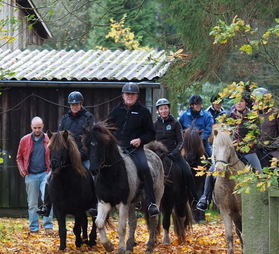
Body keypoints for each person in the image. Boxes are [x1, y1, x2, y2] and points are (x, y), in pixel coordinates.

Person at [196, 92, 261, 212]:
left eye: (241, 101)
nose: (239, 103)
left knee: (259, 172)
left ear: (246, 103)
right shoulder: (227, 117)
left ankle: (260, 200)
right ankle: (205, 198)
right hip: (229, 152)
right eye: (237, 101)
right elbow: (221, 134)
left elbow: (257, 135)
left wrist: (246, 146)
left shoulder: (253, 117)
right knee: (211, 170)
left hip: (247, 151)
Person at [106, 82, 160, 217]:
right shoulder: (116, 111)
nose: (129, 96)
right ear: (123, 96)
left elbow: (151, 133)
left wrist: (140, 140)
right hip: (117, 149)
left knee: (144, 167)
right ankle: (98, 201)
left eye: (132, 94)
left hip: (134, 149)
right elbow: (107, 129)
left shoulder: (144, 112)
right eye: (127, 94)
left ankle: (151, 202)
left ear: (137, 96)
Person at [153, 98, 200, 204]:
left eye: (165, 108)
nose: (164, 111)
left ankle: (193, 198)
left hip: (173, 153)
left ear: (169, 109)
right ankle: (141, 200)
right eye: (161, 109)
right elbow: (151, 141)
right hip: (158, 155)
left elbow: (181, 140)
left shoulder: (175, 123)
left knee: (187, 171)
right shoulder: (154, 124)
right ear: (158, 111)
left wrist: (175, 151)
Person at [16, 116, 54, 234]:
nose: (37, 130)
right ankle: (34, 228)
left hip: (45, 173)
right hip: (30, 174)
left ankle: (48, 227)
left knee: (46, 199)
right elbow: (19, 157)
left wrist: (51, 171)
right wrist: (22, 170)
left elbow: (54, 156)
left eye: (39, 127)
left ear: (43, 126)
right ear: (31, 127)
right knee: (32, 203)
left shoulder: (49, 139)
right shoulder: (24, 140)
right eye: (35, 128)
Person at [57, 91, 96, 169]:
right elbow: (60, 139)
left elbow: (91, 139)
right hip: (68, 159)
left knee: (93, 177)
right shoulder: (65, 119)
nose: (74, 107)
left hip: (84, 158)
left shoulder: (89, 118)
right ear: (70, 105)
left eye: (77, 104)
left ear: (81, 104)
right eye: (72, 105)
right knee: (50, 177)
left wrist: (80, 155)